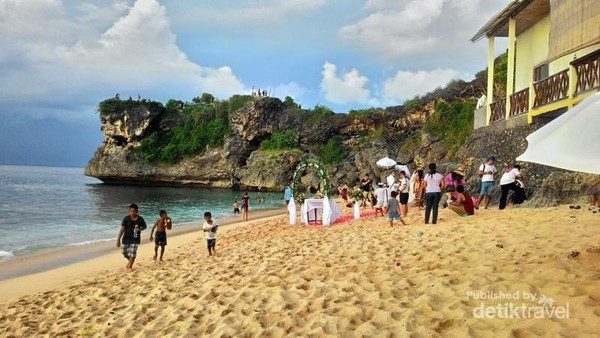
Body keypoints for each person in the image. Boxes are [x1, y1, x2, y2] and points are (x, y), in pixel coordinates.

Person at [116, 203, 147, 270]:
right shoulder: (126, 218)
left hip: (135, 239)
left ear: (137, 211)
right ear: (129, 211)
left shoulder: (140, 219)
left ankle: (130, 266)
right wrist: (118, 239)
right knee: (124, 252)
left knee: (133, 253)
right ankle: (131, 260)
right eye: (131, 211)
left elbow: (145, 226)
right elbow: (122, 229)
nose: (132, 212)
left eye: (134, 211)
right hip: (126, 238)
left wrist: (140, 229)